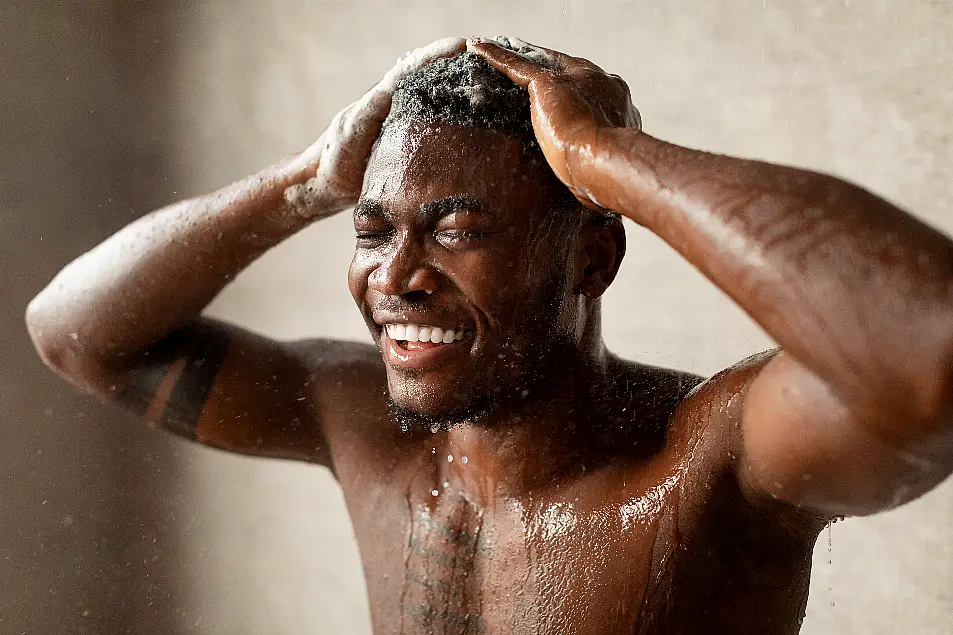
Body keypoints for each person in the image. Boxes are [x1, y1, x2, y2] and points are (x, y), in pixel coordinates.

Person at [25, 35, 953, 634]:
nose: (395, 277)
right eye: (373, 228)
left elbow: (928, 349)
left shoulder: (709, 463)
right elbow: (74, 332)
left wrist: (606, 159)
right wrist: (305, 182)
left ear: (592, 258)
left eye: (456, 232)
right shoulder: (368, 430)